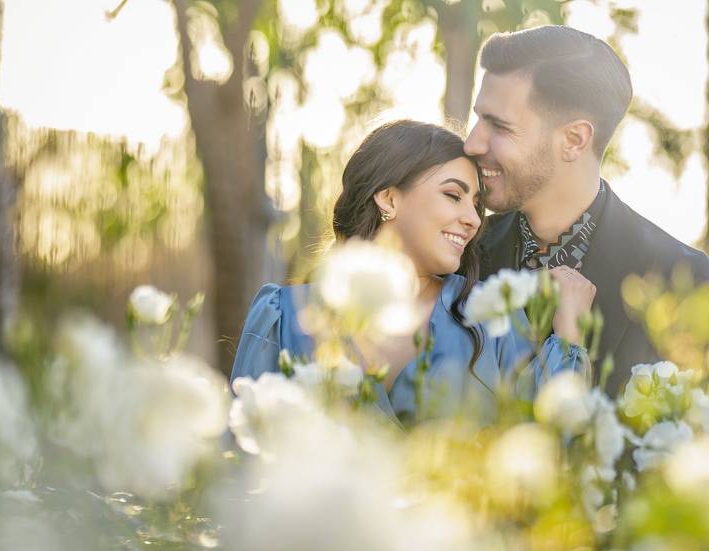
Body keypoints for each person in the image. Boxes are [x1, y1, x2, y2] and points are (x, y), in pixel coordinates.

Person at [230, 120, 595, 425]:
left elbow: (541, 445)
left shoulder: (489, 318)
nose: (472, 219)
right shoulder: (282, 316)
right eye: (454, 195)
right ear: (388, 198)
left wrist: (570, 334)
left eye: (477, 205)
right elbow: (243, 463)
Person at [465, 25, 709, 397]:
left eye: (498, 125)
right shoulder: (463, 254)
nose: (471, 143)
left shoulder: (690, 283)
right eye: (478, 118)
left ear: (574, 139)